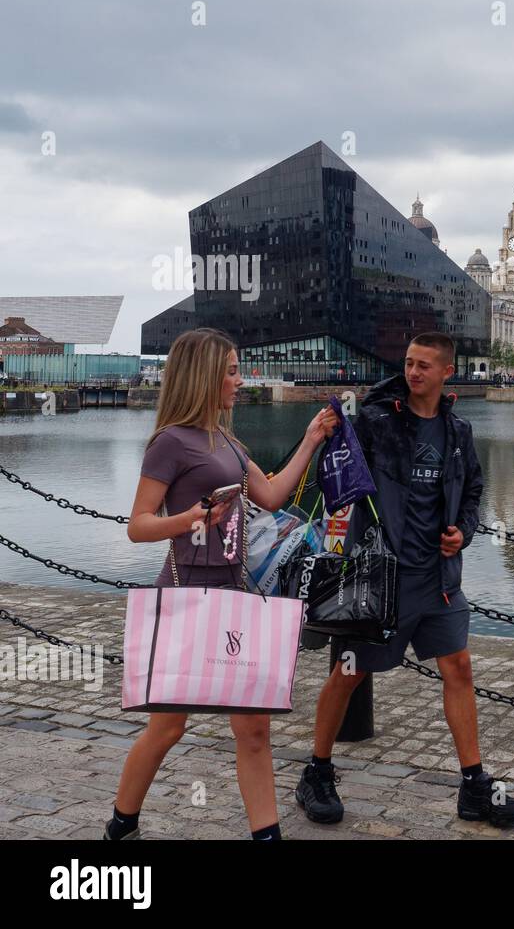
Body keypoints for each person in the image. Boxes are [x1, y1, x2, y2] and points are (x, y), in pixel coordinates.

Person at [106, 328, 339, 840]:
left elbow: (274, 494)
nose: (240, 380)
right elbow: (138, 524)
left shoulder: (229, 441)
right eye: (231, 371)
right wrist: (190, 518)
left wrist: (312, 437)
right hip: (184, 594)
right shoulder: (170, 442)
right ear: (204, 376)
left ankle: (267, 836)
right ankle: (121, 826)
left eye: (238, 369)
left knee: (254, 729)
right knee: (168, 727)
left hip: (233, 595)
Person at [296, 331, 514, 827]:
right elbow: (332, 474)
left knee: (459, 668)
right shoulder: (377, 424)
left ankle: (474, 787)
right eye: (408, 363)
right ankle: (316, 771)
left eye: (425, 365)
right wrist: (337, 427)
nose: (413, 372)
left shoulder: (458, 431)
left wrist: (462, 533)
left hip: (438, 579)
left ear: (448, 371)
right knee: (349, 670)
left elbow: (473, 491)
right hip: (379, 579)